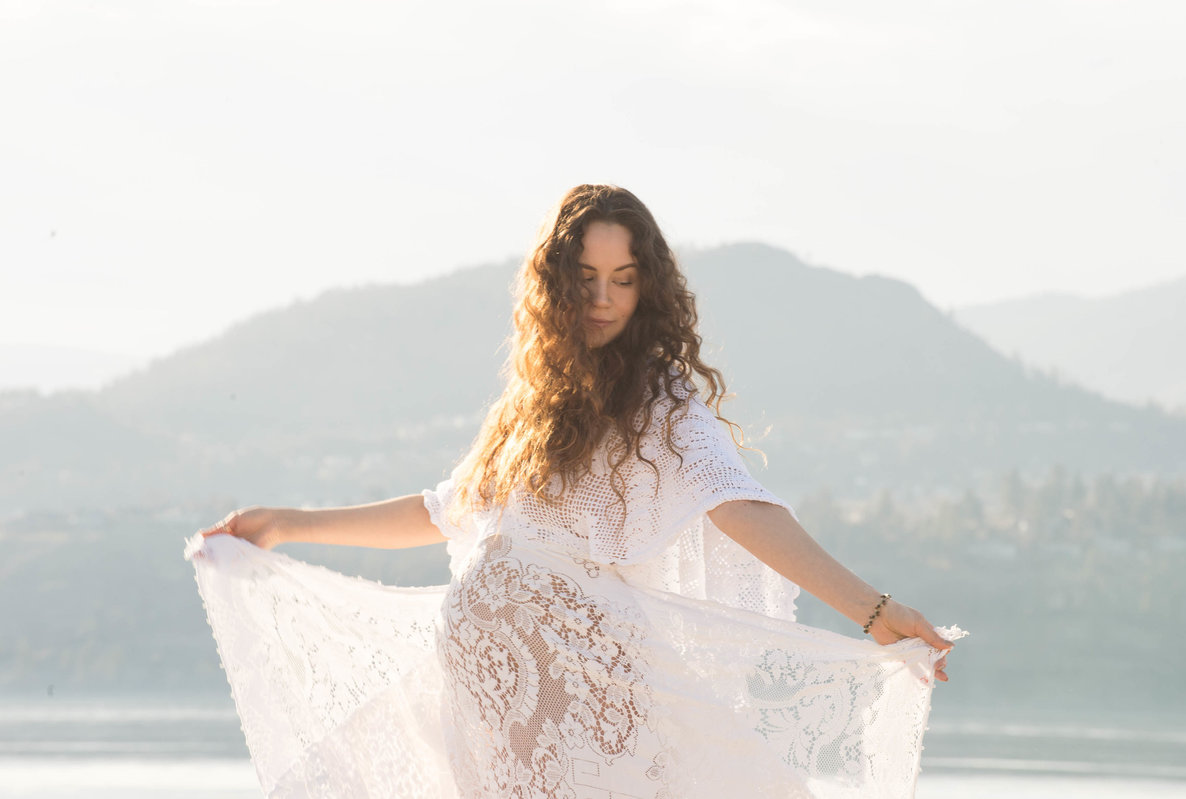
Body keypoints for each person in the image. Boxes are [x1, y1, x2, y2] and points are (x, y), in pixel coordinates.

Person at [191, 184, 960, 799]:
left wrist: (873, 609)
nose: (603, 299)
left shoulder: (659, 402)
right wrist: (283, 522)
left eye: (624, 280)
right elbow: (440, 512)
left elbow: (741, 504)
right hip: (492, 705)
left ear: (647, 288)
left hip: (582, 695)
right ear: (554, 284)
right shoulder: (529, 408)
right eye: (586, 278)